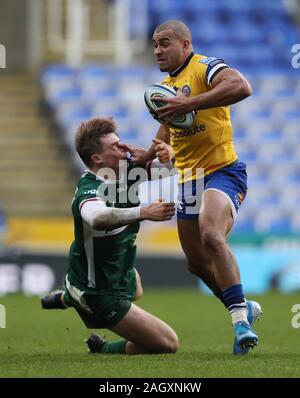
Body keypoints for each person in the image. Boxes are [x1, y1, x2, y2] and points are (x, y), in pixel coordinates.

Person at [131, 20, 262, 355]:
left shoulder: (205, 67)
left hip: (222, 171)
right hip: (188, 180)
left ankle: (240, 325)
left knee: (212, 235)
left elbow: (242, 87)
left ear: (185, 45)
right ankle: (244, 307)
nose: (158, 50)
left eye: (164, 43)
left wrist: (189, 104)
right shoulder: (166, 86)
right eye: (155, 44)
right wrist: (146, 156)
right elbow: (167, 126)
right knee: (196, 264)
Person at [41, 117, 179, 355]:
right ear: (97, 158)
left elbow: (171, 169)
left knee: (136, 291)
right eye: (115, 146)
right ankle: (102, 347)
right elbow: (97, 217)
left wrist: (170, 155)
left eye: (121, 141)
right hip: (97, 290)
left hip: (118, 270)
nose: (123, 148)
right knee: (167, 343)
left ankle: (67, 297)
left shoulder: (128, 170)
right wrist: (143, 212)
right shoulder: (89, 189)